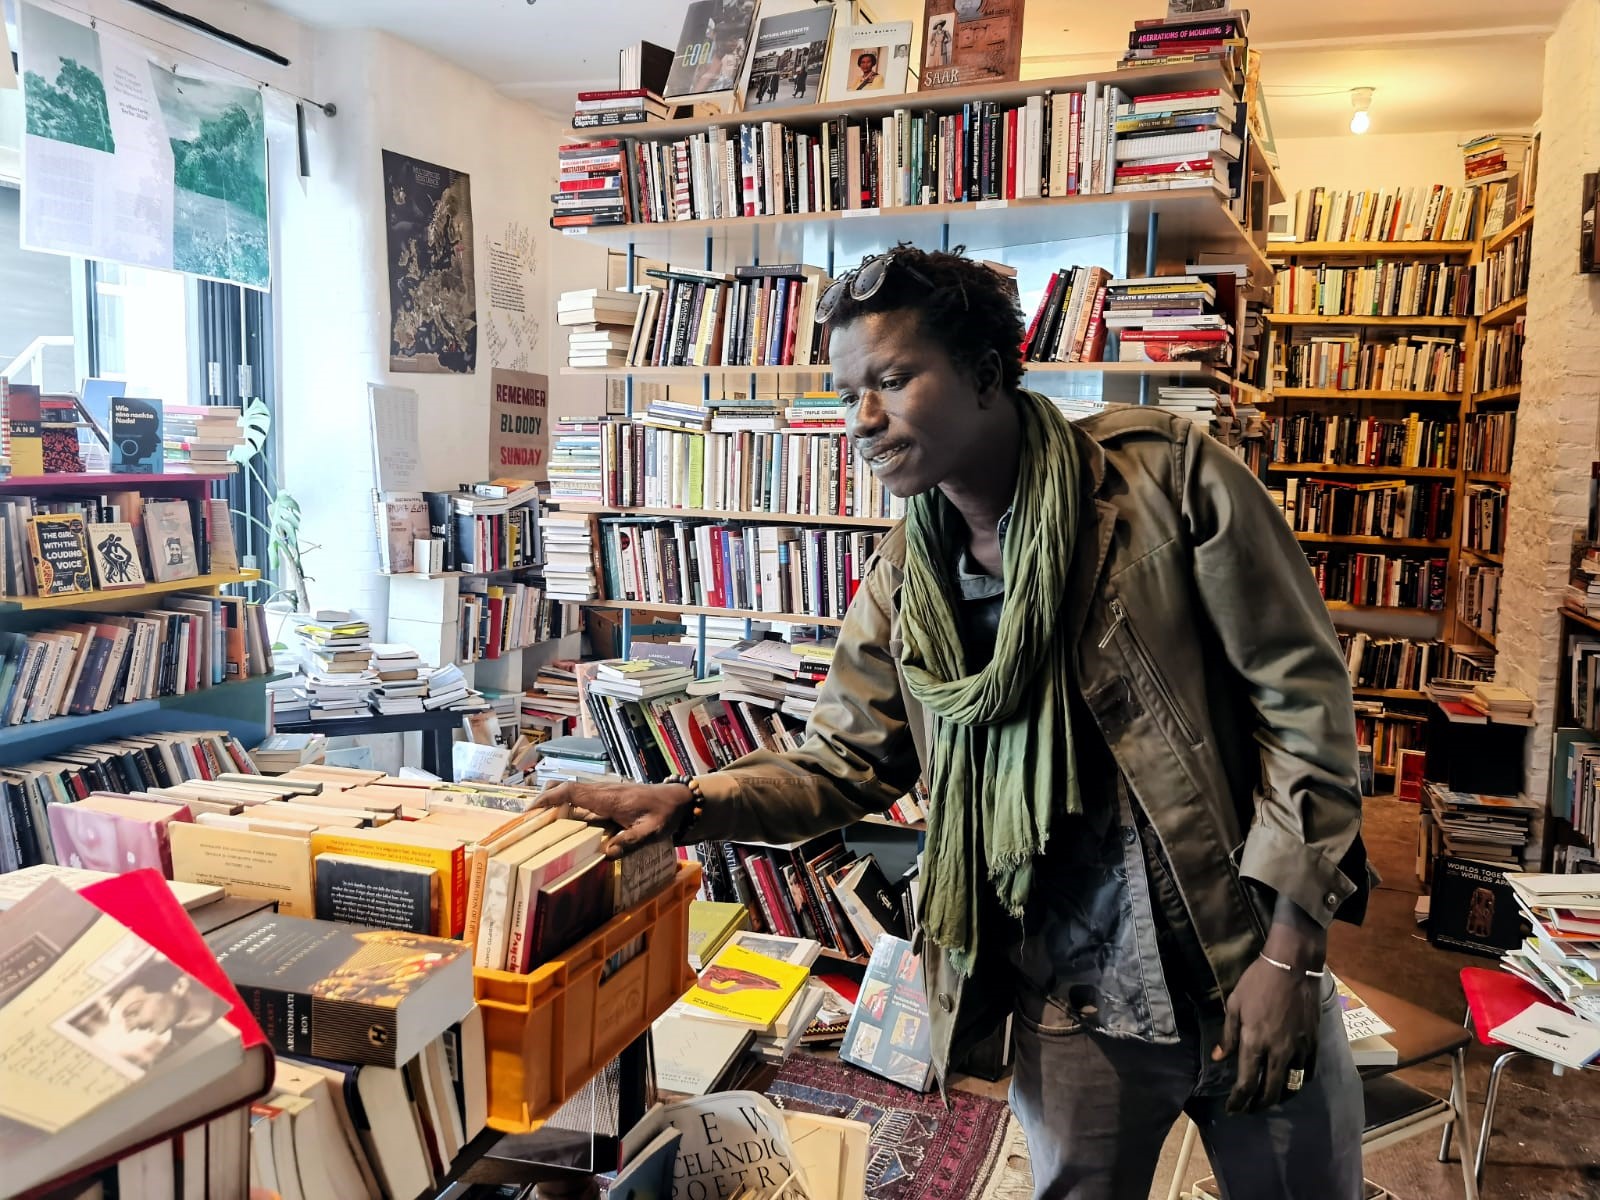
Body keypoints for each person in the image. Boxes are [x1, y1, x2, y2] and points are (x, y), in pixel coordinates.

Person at [544, 245, 1371, 1200]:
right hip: (1073, 998)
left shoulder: (1168, 487)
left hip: (1240, 963)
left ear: (986, 371)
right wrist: (691, 800)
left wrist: (1289, 954)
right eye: (849, 390)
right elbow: (845, 764)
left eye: (892, 381)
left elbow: (1303, 709)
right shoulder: (906, 580)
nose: (862, 420)